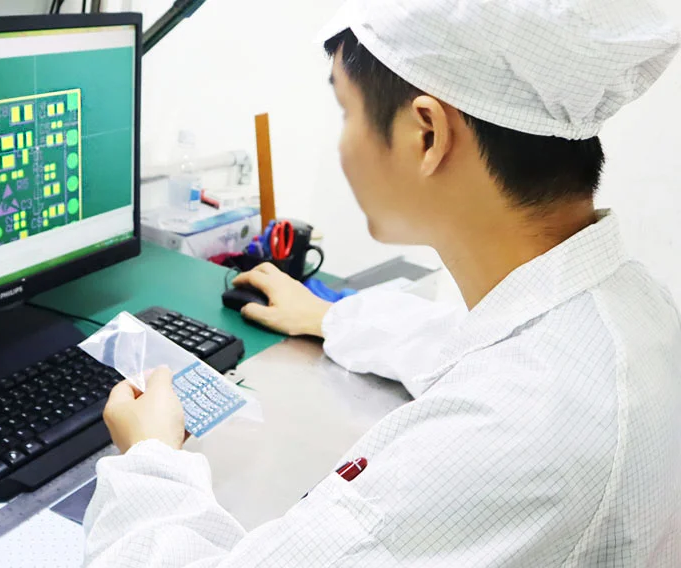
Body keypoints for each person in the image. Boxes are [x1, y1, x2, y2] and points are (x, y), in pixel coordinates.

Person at [83, 0, 681, 565]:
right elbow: (469, 343)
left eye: (346, 111)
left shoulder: (503, 436)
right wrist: (328, 317)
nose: (342, 138)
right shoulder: (628, 312)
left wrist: (151, 458)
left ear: (427, 135)